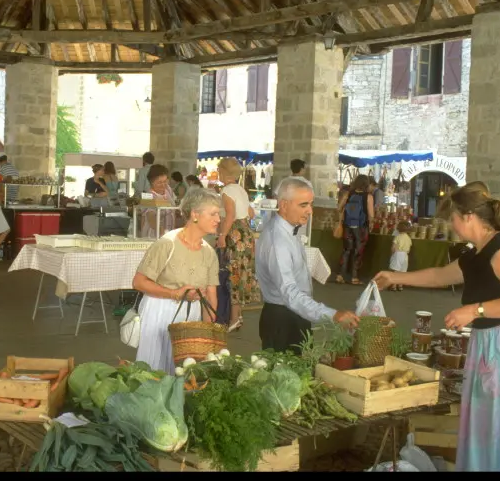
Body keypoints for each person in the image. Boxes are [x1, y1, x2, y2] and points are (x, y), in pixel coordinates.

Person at [374, 182, 500, 472]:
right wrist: (395, 277)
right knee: (490, 423)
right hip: (493, 341)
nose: (450, 225)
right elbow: (441, 275)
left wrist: (475, 310)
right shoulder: (478, 251)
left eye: (452, 218)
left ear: (468, 216)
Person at [256, 177, 359, 352]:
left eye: (310, 204)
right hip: (283, 319)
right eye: (303, 205)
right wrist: (332, 315)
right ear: (284, 205)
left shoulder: (288, 229)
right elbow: (290, 293)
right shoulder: (278, 240)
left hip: (294, 314)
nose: (310, 211)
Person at [132, 188, 221, 374]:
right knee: (154, 372)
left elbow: (211, 294)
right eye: (213, 214)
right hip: (159, 312)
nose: (218, 219)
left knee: (185, 374)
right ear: (195, 215)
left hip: (191, 316)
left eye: (218, 214)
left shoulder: (209, 253)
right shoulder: (167, 243)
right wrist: (174, 293)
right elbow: (139, 282)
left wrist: (208, 331)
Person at [216, 157, 260, 333]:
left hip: (234, 234)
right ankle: (238, 315)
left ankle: (233, 318)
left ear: (224, 172)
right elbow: (251, 213)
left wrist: (222, 235)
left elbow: (230, 215)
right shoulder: (241, 189)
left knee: (232, 274)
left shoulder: (226, 191)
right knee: (242, 273)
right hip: (246, 233)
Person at [335, 174, 374, 285]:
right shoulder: (369, 197)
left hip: (347, 226)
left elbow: (339, 208)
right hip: (361, 228)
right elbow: (371, 215)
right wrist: (371, 223)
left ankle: (340, 275)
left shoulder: (348, 194)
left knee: (346, 250)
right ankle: (354, 277)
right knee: (358, 251)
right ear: (366, 184)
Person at [138, 164, 177, 239]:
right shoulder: (147, 196)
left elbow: (173, 210)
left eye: (165, 181)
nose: (163, 185)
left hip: (169, 235)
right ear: (151, 182)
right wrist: (162, 232)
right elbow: (151, 217)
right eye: (159, 182)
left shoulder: (168, 190)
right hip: (153, 236)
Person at [388, 220, 412, 291]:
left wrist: (392, 253)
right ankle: (400, 286)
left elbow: (393, 247)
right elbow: (409, 249)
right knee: (402, 271)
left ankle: (394, 286)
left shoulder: (397, 237)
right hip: (405, 255)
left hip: (398, 254)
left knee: (396, 270)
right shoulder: (408, 238)